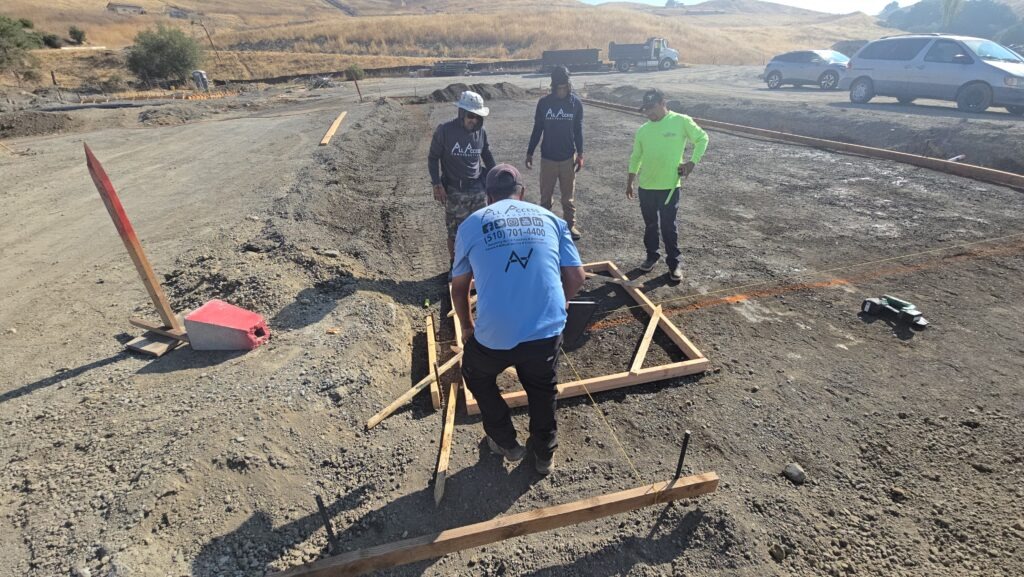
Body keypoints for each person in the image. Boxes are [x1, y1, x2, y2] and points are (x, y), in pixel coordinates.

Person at [451, 164, 586, 475]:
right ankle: (544, 453)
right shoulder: (551, 219)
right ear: (522, 193)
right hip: (545, 332)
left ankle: (505, 442)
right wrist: (562, 302)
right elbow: (577, 277)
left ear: (488, 197)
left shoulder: (471, 225)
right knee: (542, 387)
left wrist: (467, 327)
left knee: (477, 375)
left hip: (494, 335)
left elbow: (459, 289)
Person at [625, 88, 709, 282]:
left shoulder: (681, 121)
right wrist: (630, 180)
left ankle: (674, 263)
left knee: (668, 226)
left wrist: (692, 162)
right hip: (646, 187)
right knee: (650, 225)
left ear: (663, 103)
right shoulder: (643, 130)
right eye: (646, 109)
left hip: (669, 187)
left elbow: (702, 138)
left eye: (652, 108)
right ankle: (652, 255)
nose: (649, 113)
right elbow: (636, 156)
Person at [428, 90, 497, 261]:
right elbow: (433, 158)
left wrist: (496, 178)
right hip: (455, 192)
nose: (474, 120)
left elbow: (486, 154)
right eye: (470, 116)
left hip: (478, 190)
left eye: (478, 117)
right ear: (461, 113)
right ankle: (455, 265)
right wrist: (437, 184)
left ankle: (478, 264)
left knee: (481, 230)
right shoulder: (445, 131)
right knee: (455, 233)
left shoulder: (481, 132)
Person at [526, 66, 584, 240]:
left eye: (565, 87)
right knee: (545, 197)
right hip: (548, 159)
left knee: (568, 198)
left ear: (569, 85)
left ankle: (570, 225)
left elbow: (578, 130)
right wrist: (530, 152)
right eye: (559, 87)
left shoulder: (575, 104)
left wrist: (581, 154)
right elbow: (537, 129)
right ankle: (545, 227)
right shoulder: (544, 104)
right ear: (553, 86)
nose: (562, 91)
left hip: (568, 158)